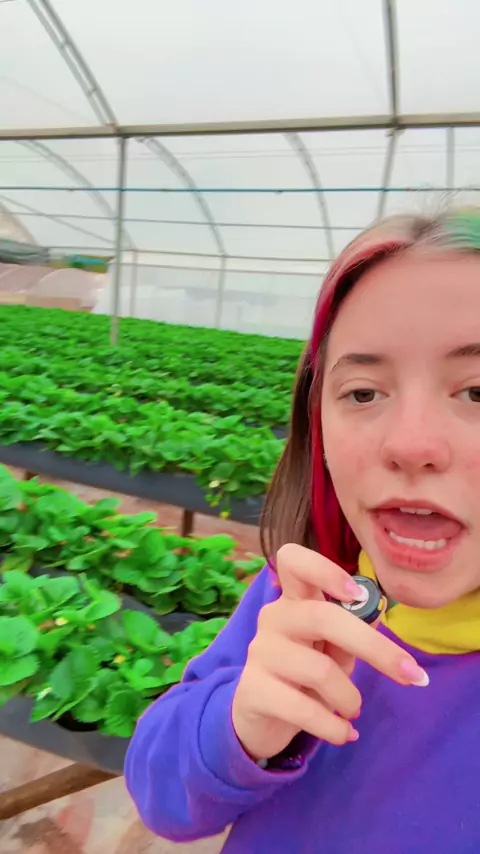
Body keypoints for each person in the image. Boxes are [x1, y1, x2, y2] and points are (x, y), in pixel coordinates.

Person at [124, 208, 480, 853]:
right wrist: (238, 725)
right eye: (363, 393)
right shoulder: (313, 592)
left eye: (478, 393)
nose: (410, 445)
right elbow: (161, 795)